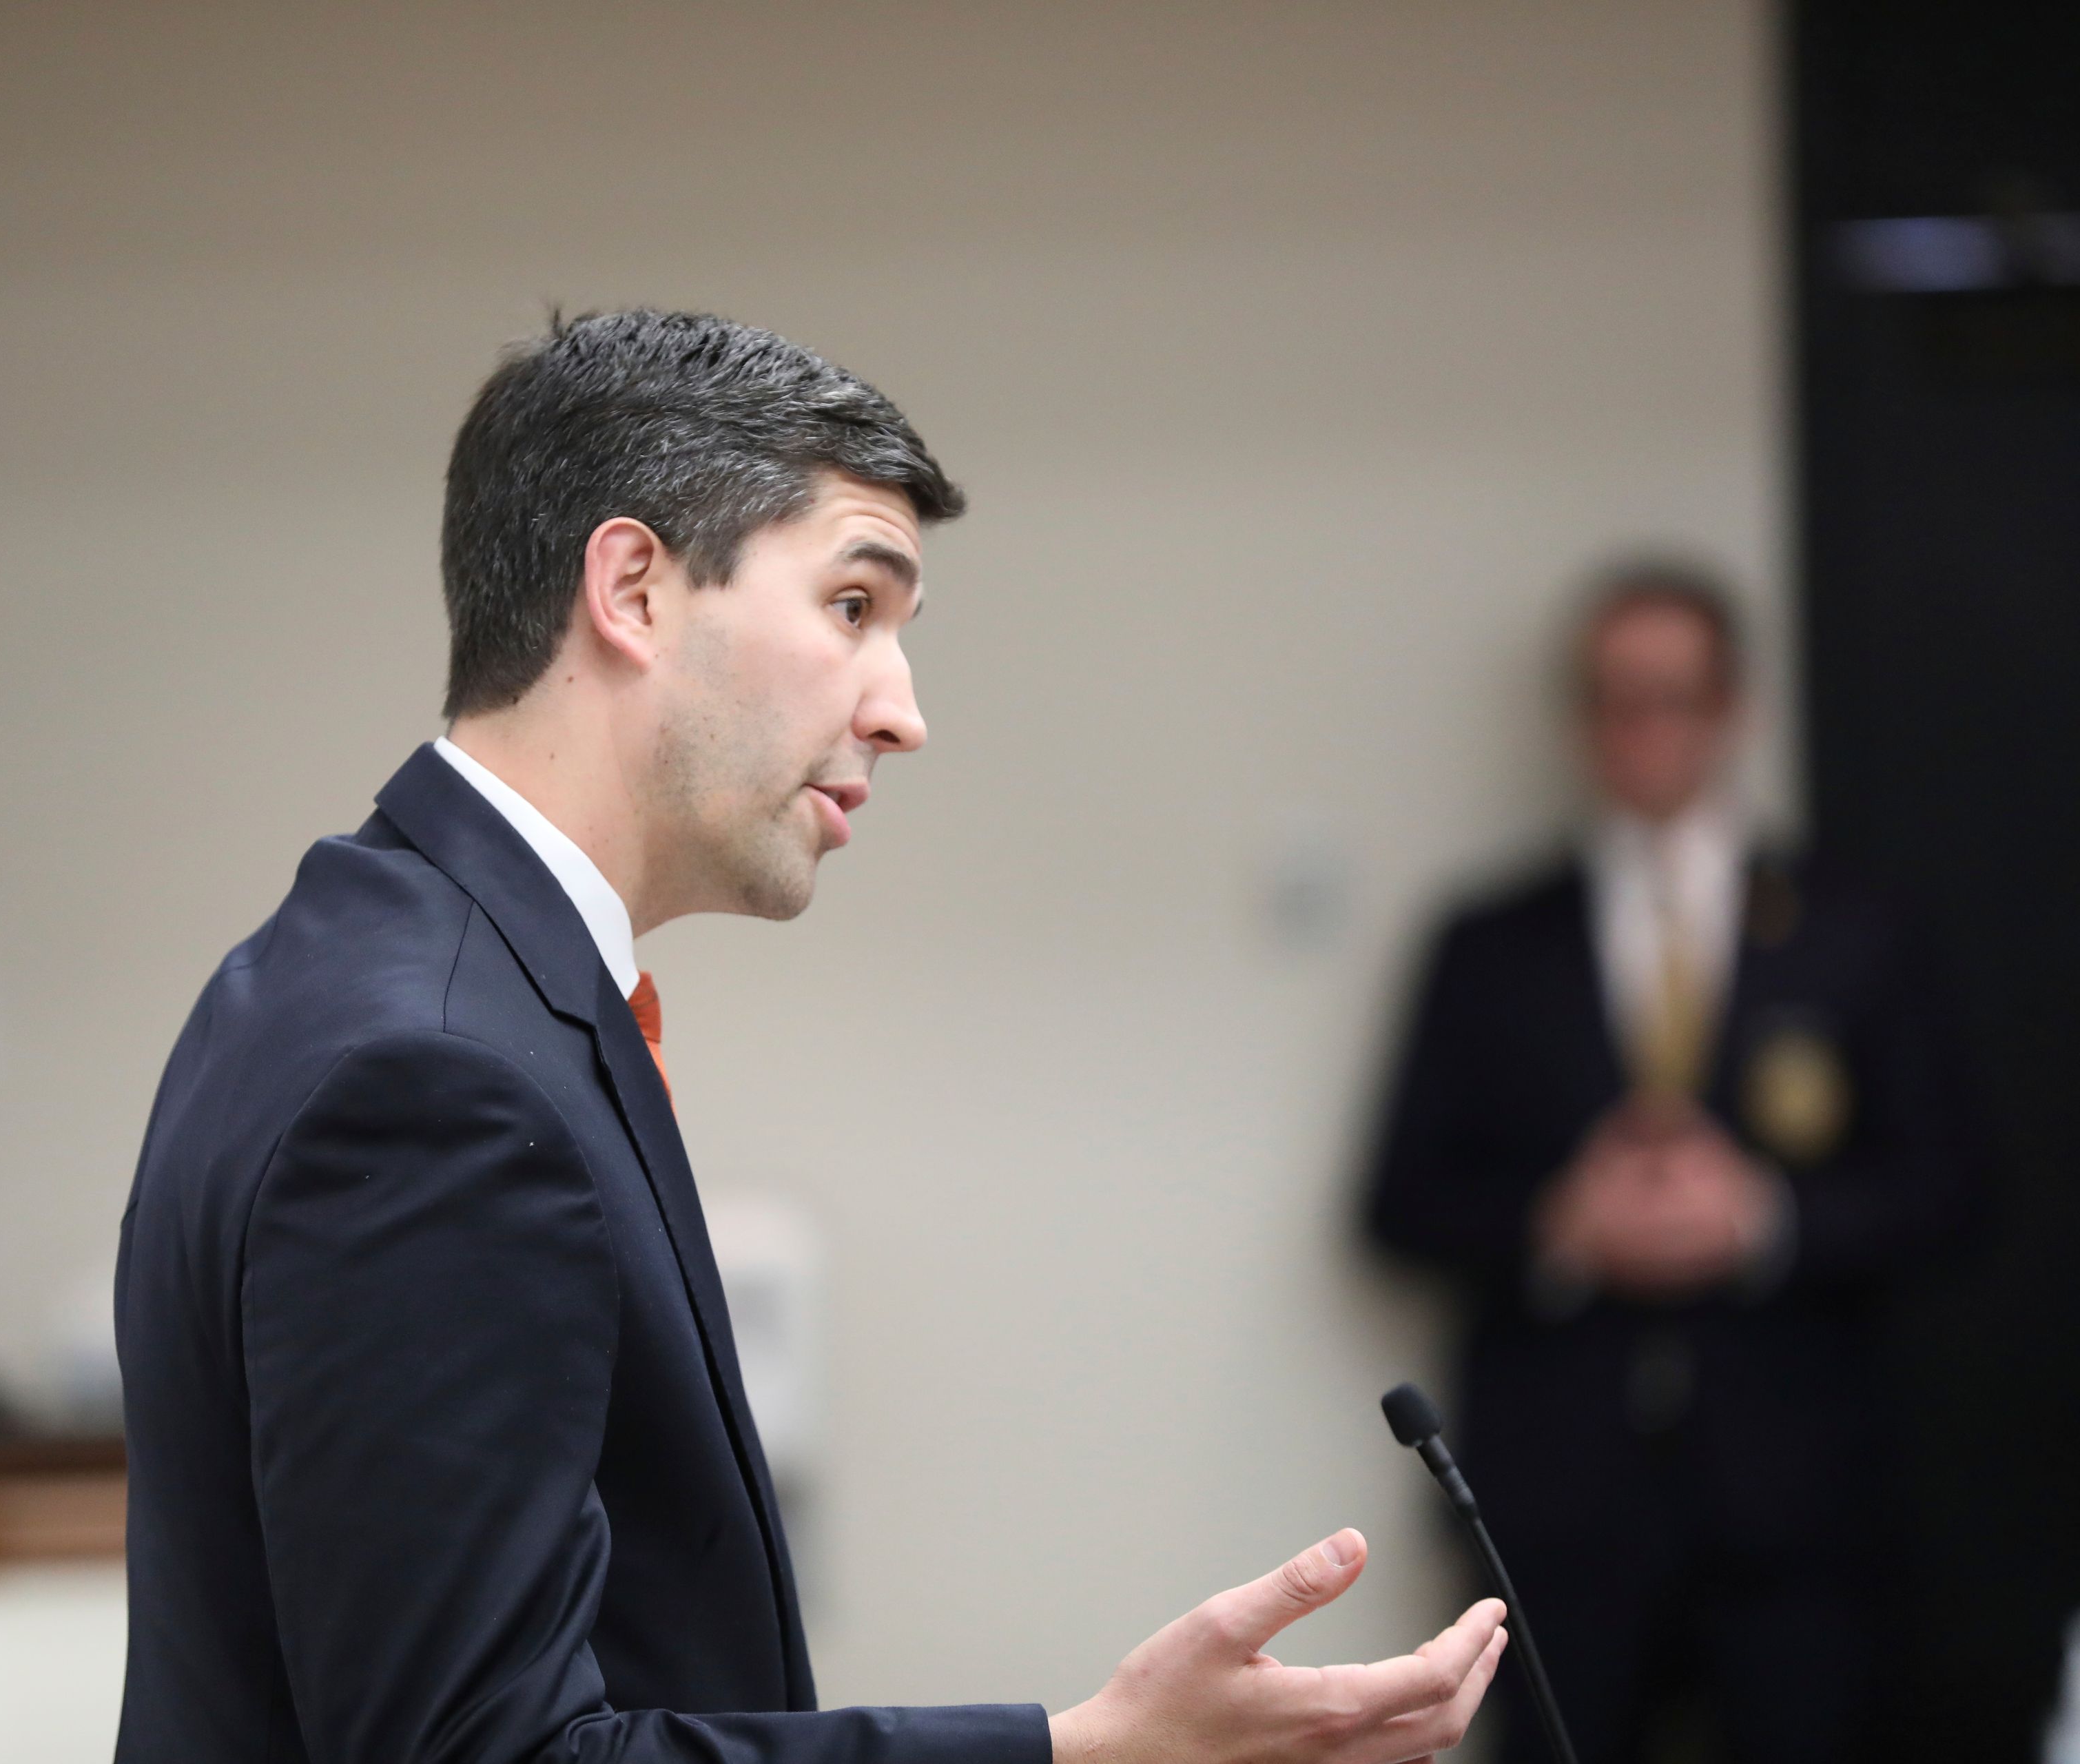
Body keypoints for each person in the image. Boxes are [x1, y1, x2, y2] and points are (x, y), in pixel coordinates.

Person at [113, 309, 1506, 1763]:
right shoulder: (436, 1075)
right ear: (635, 588)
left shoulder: (360, 961)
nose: (900, 711)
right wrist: (1088, 1750)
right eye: (854, 605)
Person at [1363, 562, 1981, 1764]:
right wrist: (1564, 1223)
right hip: (1559, 1505)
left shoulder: (1856, 927)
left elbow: (1952, 1188)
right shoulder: (1490, 942)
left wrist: (1764, 1219)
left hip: (1800, 1504)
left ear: (1732, 707)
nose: (1644, 728)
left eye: (1674, 696)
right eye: (1616, 697)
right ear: (1579, 715)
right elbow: (1398, 1205)